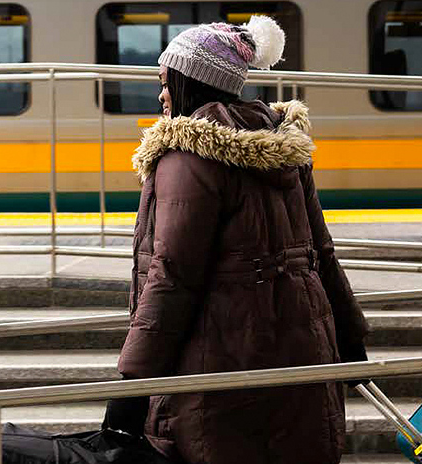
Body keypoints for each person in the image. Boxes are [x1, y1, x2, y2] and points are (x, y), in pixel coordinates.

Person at [103, 16, 370, 464]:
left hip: (223, 356)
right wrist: (349, 337)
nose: (161, 93)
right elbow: (322, 253)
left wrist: (134, 384)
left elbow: (172, 276)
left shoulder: (189, 156)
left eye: (167, 81)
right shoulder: (284, 144)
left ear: (192, 83)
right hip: (303, 344)